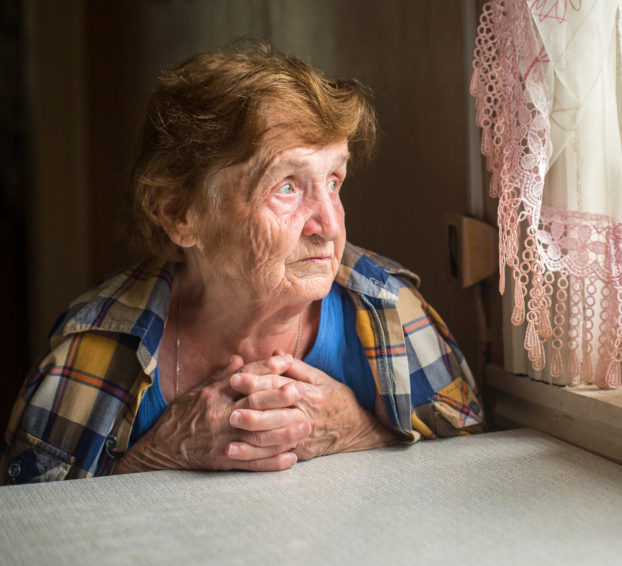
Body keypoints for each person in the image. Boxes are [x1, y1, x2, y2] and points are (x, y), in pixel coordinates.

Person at [1, 42, 483, 484]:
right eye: (287, 187)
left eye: (334, 181)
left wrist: (361, 433)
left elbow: (474, 478)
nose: (329, 225)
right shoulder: (94, 344)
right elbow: (30, 528)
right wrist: (157, 455)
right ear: (180, 215)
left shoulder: (390, 311)